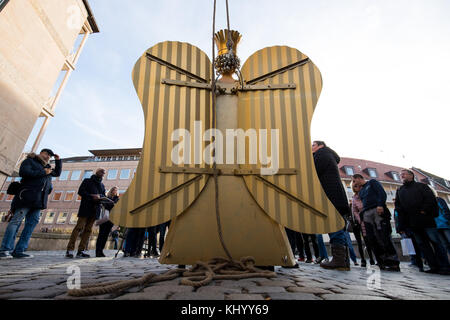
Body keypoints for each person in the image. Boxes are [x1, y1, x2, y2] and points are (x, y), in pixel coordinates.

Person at [0, 149, 61, 259]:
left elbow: (57, 173)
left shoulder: (47, 167)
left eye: (50, 156)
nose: (48, 157)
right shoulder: (30, 161)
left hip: (38, 201)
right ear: (41, 153)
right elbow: (24, 173)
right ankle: (5, 249)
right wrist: (43, 172)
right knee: (16, 222)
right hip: (26, 197)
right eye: (46, 154)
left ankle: (19, 250)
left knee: (31, 224)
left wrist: (58, 161)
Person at [395, 169, 450, 275]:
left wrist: (424, 210)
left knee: (436, 242)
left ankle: (444, 266)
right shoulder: (400, 190)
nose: (402, 176)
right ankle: (433, 266)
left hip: (426, 220)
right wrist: (403, 224)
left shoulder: (422, 186)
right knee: (423, 245)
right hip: (413, 223)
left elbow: (431, 200)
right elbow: (399, 208)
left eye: (404, 174)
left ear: (411, 175)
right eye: (400, 175)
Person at [311, 141, 352, 271]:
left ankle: (339, 260)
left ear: (321, 146)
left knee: (335, 226)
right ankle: (343, 261)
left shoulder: (322, 154)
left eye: (313, 145)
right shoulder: (328, 156)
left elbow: (313, 172)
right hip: (336, 196)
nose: (311, 148)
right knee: (338, 227)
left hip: (331, 196)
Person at [352, 173, 400, 271]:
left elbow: (381, 193)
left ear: (359, 178)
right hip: (367, 215)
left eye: (354, 180)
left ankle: (393, 262)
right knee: (373, 238)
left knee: (384, 236)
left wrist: (380, 204)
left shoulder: (372, 183)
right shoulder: (361, 192)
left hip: (377, 210)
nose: (354, 183)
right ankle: (381, 261)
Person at [66, 168, 106, 258]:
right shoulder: (87, 181)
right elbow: (81, 192)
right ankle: (70, 250)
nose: (103, 173)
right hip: (86, 208)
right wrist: (91, 196)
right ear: (97, 172)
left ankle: (81, 250)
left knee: (88, 230)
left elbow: (103, 195)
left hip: (95, 210)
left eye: (104, 173)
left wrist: (101, 197)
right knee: (78, 228)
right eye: (101, 172)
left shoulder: (102, 185)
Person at [351, 183, 376, 267]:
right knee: (359, 242)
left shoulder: (365, 195)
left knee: (368, 241)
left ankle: (372, 259)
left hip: (367, 220)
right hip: (358, 223)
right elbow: (354, 210)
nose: (357, 188)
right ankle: (363, 260)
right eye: (354, 186)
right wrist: (359, 219)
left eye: (358, 186)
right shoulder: (354, 198)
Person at [95, 186, 119, 257]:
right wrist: (111, 204)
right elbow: (105, 205)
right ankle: (97, 251)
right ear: (111, 190)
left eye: (116, 190)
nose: (114, 191)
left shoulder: (117, 199)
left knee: (105, 235)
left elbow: (115, 206)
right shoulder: (106, 197)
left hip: (111, 219)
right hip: (104, 217)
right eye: (113, 190)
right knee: (101, 234)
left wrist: (110, 204)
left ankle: (101, 251)